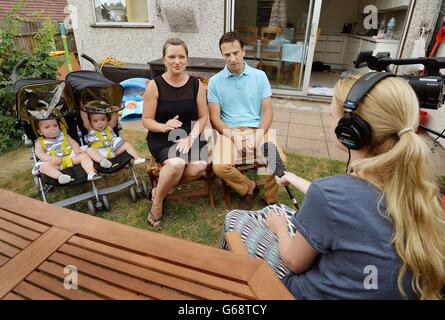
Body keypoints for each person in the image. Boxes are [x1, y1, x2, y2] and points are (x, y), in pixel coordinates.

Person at [222, 73, 445, 299]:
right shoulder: (424, 192)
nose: (330, 121)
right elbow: (352, 206)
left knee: (238, 218)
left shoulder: (329, 194)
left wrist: (280, 228)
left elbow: (294, 262)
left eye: (331, 116)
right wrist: (292, 177)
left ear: (349, 130)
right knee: (276, 211)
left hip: (300, 293)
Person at [208, 31, 286, 210]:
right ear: (222, 55)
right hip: (230, 131)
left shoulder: (260, 76)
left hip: (257, 128)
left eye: (235, 53)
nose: (232, 58)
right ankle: (248, 187)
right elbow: (214, 117)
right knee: (219, 166)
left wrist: (258, 135)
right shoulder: (214, 82)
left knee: (279, 160)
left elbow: (267, 112)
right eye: (227, 54)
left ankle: (270, 199)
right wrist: (234, 136)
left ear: (243, 51)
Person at [143, 38, 209, 227]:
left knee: (198, 167)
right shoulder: (154, 86)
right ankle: (157, 204)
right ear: (164, 60)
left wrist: (191, 139)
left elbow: (203, 117)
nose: (177, 61)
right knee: (177, 163)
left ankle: (160, 190)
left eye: (181, 56)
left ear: (187, 59)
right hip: (162, 136)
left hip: (190, 133)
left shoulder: (197, 85)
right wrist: (163, 126)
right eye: (171, 56)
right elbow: (146, 120)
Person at [33, 118, 99, 183]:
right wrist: (50, 159)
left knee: (84, 156)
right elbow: (39, 153)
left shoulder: (64, 136)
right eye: (47, 127)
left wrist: (76, 148)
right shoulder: (39, 142)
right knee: (43, 167)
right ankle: (60, 176)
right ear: (40, 132)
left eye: (55, 126)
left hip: (70, 158)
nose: (52, 128)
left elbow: (73, 143)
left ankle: (91, 173)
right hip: (55, 163)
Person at [81, 110, 145, 168]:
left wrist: (116, 109)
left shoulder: (109, 127)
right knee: (89, 150)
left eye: (103, 120)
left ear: (107, 119)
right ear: (90, 122)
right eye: (95, 121)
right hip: (99, 153)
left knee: (126, 144)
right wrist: (83, 109)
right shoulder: (90, 130)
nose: (99, 123)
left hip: (113, 151)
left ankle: (137, 158)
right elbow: (85, 120)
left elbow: (114, 119)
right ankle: (102, 161)